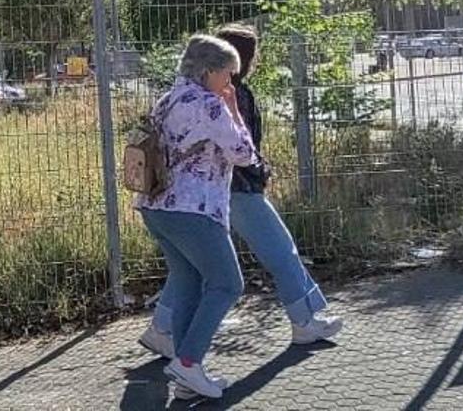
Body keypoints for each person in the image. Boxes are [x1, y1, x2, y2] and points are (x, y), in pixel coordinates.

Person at [139, 23, 344, 364]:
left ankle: (163, 330)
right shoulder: (228, 97)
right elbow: (242, 149)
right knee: (279, 251)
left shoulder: (173, 97)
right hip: (233, 189)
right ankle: (304, 320)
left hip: (180, 197)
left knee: (190, 270)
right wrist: (261, 169)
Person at [135, 34, 259, 399]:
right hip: (195, 209)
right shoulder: (210, 105)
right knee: (227, 284)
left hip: (156, 206)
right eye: (227, 73)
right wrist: (233, 109)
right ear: (208, 71)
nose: (230, 81)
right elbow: (243, 154)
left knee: (188, 281)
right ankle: (188, 363)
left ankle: (187, 377)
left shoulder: (168, 99)